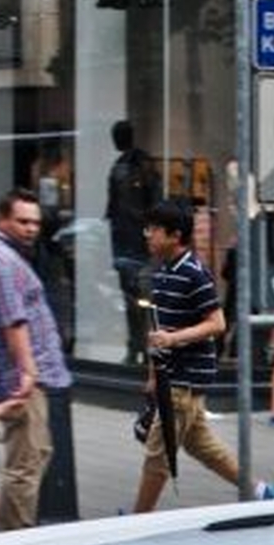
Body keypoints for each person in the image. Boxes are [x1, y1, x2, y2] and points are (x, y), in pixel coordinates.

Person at [131, 199, 274, 510]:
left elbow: (217, 323)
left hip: (183, 381)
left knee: (158, 456)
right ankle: (259, 491)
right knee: (203, 447)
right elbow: (160, 328)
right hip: (171, 378)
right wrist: (151, 375)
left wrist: (173, 340)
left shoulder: (194, 273)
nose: (147, 234)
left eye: (154, 229)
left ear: (175, 235)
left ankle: (136, 520)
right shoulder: (162, 274)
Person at [0, 187, 71, 530]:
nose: (31, 228)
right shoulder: (4, 262)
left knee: (34, 454)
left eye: (35, 222)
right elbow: (13, 319)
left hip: (0, 371)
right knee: (26, 462)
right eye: (22, 221)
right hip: (19, 377)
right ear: (1, 219)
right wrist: (28, 370)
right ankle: (12, 538)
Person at [106, 118, 156, 365]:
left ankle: (144, 345)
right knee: (130, 298)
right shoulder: (120, 166)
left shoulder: (141, 165)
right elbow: (114, 209)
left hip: (138, 242)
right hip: (125, 241)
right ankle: (135, 344)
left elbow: (151, 202)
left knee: (143, 297)